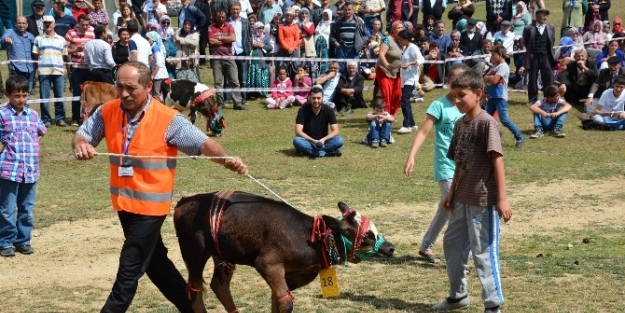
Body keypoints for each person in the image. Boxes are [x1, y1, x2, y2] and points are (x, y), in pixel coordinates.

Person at [71, 61, 248, 312]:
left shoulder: (168, 119)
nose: (123, 93)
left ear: (147, 87)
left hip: (150, 209)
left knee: (129, 270)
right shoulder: (107, 111)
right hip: (124, 206)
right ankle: (193, 309)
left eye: (130, 88)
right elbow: (82, 134)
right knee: (156, 265)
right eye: (119, 87)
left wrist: (228, 160)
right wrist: (80, 144)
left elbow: (203, 144)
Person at [432, 69, 512, 313]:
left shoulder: (487, 123)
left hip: (482, 200)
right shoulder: (460, 124)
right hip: (461, 199)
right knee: (452, 245)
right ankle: (458, 295)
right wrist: (451, 193)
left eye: (462, 96)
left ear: (478, 94)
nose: (456, 101)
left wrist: (502, 199)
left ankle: (492, 305)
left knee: (483, 252)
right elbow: (460, 163)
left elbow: (497, 160)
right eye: (454, 96)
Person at [404, 64, 468, 264]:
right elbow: (423, 132)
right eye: (454, 80)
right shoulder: (439, 105)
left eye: (462, 80)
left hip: (464, 165)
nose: (457, 85)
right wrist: (411, 156)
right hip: (445, 165)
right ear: (449, 82)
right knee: (457, 211)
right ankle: (460, 257)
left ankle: (426, 246)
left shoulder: (467, 105)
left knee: (445, 207)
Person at [0, 75, 47, 258]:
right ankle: (5, 241)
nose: (21, 99)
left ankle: (23, 240)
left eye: (24, 95)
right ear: (7, 95)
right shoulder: (2, 115)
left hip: (30, 170)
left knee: (27, 207)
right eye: (17, 96)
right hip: (9, 170)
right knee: (7, 208)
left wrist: (35, 143)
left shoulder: (33, 115)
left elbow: (42, 131)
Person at [33, 15, 70, 127]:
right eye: (45, 23)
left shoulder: (62, 40)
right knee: (44, 97)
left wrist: (66, 71)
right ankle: (46, 119)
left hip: (58, 71)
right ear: (43, 25)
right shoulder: (38, 39)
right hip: (44, 71)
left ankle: (60, 119)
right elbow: (35, 56)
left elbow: (65, 56)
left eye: (50, 22)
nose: (48, 25)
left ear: (54, 24)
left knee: (59, 96)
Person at [486, 45, 525, 148]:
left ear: (500, 54)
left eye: (493, 55)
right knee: (487, 119)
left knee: (504, 119)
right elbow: (484, 78)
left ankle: (520, 137)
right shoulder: (495, 66)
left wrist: (490, 78)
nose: (492, 57)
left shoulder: (503, 66)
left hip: (500, 97)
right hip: (492, 96)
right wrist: (491, 78)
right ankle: (497, 133)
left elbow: (494, 80)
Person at [293, 85, 344, 158]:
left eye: (318, 98)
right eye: (313, 98)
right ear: (310, 98)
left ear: (322, 98)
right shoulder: (303, 110)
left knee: (339, 140)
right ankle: (326, 152)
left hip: (323, 142)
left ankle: (310, 152)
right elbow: (298, 131)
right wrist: (314, 141)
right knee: (297, 141)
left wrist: (323, 140)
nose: (316, 101)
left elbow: (336, 131)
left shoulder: (329, 110)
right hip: (308, 141)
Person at [208, 9, 245, 110]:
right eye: (219, 17)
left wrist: (219, 39)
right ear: (215, 17)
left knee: (234, 81)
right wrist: (225, 39)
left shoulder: (229, 26)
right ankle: (220, 103)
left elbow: (233, 38)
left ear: (225, 17)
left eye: (223, 17)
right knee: (218, 82)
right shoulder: (211, 27)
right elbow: (211, 41)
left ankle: (237, 102)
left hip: (229, 57)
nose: (221, 19)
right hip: (216, 58)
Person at [521, 9, 556, 105]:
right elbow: (526, 41)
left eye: (546, 15)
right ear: (536, 16)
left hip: (546, 56)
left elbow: (552, 40)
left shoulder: (551, 27)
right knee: (532, 78)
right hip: (533, 57)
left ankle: (548, 99)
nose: (545, 17)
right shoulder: (529, 28)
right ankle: (532, 99)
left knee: (548, 78)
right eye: (543, 15)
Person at [66, 14, 96, 127]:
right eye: (83, 25)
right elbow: (64, 50)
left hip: (89, 68)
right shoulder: (70, 33)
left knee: (89, 95)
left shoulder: (91, 34)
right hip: (76, 68)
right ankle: (75, 118)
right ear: (78, 23)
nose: (85, 27)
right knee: (77, 94)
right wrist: (75, 50)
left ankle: (87, 117)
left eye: (87, 25)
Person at [397, 28, 424, 134]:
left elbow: (421, 59)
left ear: (407, 39)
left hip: (411, 79)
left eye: (401, 40)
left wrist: (410, 64)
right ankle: (412, 124)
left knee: (404, 101)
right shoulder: (405, 48)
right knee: (406, 101)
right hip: (404, 79)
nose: (399, 41)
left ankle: (406, 125)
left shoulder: (413, 48)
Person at [1, 16, 36, 96]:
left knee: (27, 94)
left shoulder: (30, 36)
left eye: (24, 23)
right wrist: (6, 39)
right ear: (15, 24)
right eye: (19, 23)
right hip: (16, 69)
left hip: (30, 69)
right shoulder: (10, 32)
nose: (21, 25)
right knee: (17, 93)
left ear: (27, 25)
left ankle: (26, 108)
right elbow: (2, 39)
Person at [376, 21, 404, 116]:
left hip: (397, 72)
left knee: (397, 95)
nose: (400, 29)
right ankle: (385, 115)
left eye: (401, 27)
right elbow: (381, 54)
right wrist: (387, 65)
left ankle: (391, 114)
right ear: (393, 29)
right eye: (398, 28)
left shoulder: (402, 41)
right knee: (386, 94)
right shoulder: (387, 39)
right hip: (384, 71)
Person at [330, 3, 366, 73]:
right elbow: (332, 34)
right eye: (345, 10)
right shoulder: (338, 21)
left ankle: (355, 83)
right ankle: (342, 83)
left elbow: (366, 35)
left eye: (349, 9)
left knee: (354, 69)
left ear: (352, 10)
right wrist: (335, 42)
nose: (347, 11)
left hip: (354, 48)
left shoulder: (359, 21)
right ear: (343, 10)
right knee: (342, 69)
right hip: (341, 48)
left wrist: (361, 44)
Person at [247, 21, 272, 99]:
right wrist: (252, 45)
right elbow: (247, 45)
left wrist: (262, 45)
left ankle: (261, 92)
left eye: (262, 28)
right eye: (259, 28)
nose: (260, 30)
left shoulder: (264, 38)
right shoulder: (251, 37)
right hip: (252, 61)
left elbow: (270, 48)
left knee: (260, 76)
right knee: (253, 75)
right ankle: (252, 93)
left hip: (261, 62)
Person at [145, 31, 169, 99]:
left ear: (153, 39)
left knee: (157, 96)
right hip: (161, 75)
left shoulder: (155, 48)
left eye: (148, 38)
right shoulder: (154, 47)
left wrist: (152, 75)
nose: (146, 40)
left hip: (159, 77)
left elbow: (158, 63)